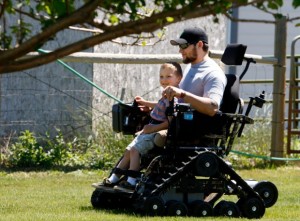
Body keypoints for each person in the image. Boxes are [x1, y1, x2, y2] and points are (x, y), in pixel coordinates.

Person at [92, 61, 183, 192]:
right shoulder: (165, 95)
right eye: (161, 77)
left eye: (168, 76)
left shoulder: (173, 98)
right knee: (128, 151)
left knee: (135, 151)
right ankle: (114, 177)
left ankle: (131, 180)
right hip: (149, 128)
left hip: (155, 130)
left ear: (178, 79)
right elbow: (158, 106)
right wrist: (145, 103)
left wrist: (152, 129)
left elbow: (171, 121)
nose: (164, 80)